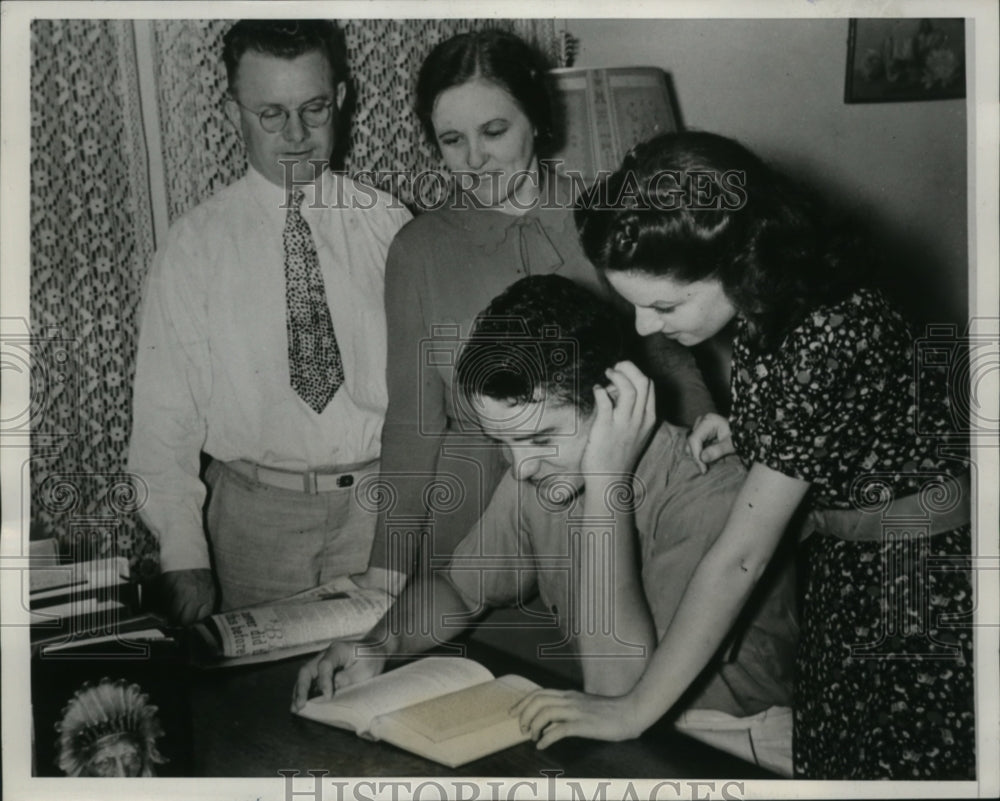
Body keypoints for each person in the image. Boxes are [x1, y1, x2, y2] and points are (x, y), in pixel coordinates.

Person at [513, 132, 974, 780]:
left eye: (663, 304)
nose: (645, 327)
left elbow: (741, 558)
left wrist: (630, 709)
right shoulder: (775, 294)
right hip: (854, 565)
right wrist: (751, 429)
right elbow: (845, 422)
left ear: (738, 259)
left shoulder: (827, 329)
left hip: (913, 582)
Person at [295, 275, 799, 775]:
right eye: (503, 442)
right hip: (623, 735)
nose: (520, 468)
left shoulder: (710, 492)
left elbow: (620, 690)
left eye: (540, 439)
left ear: (613, 403)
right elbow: (459, 587)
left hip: (735, 746)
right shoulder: (543, 476)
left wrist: (607, 486)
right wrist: (382, 642)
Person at [367, 30, 713, 584]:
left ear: (535, 119)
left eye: (495, 131)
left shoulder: (605, 213)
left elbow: (666, 355)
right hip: (475, 511)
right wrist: (387, 569)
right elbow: (412, 423)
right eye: (452, 139)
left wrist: (704, 432)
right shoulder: (417, 248)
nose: (474, 159)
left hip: (614, 488)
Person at [127, 20, 412, 623]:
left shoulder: (389, 226)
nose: (297, 135)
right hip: (252, 524)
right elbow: (164, 419)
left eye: (313, 109)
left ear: (339, 99)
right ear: (235, 112)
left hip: (378, 511)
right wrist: (185, 553)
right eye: (271, 114)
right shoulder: (194, 247)